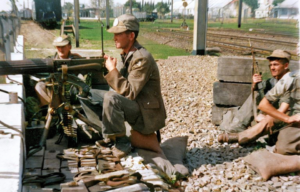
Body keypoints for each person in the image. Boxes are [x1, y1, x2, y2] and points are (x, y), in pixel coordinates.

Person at [79, 14, 167, 158]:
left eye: (118, 34)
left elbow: (129, 91)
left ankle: (122, 144)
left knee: (111, 98)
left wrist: (113, 70)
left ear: (131, 35)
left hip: (145, 111)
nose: (114, 38)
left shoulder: (142, 58)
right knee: (86, 93)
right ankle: (109, 136)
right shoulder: (127, 54)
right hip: (135, 103)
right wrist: (108, 68)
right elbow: (119, 86)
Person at [218, 50, 291, 145]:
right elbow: (256, 91)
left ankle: (241, 136)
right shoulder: (273, 80)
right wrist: (255, 84)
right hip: (273, 117)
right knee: (257, 92)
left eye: (276, 65)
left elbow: (285, 112)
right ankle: (239, 126)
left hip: (286, 120)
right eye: (271, 65)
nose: (272, 68)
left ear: (286, 66)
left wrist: (265, 118)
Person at [243, 70, 300, 181]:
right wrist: (287, 119)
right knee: (284, 149)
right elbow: (263, 105)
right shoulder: (290, 78)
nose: (273, 68)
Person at [35, 34, 82, 106]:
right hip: (54, 89)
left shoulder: (76, 59)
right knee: (39, 86)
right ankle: (47, 109)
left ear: (70, 47)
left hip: (72, 89)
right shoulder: (50, 60)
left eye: (63, 47)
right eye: (58, 47)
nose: (60, 49)